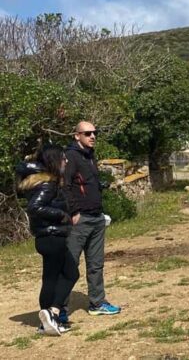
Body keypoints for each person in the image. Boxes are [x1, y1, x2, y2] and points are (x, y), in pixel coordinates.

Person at [16, 144, 78, 336]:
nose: (66, 161)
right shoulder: (47, 183)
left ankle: (50, 317)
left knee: (65, 274)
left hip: (48, 236)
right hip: (51, 236)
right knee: (61, 275)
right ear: (54, 160)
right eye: (63, 158)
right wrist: (61, 215)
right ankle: (50, 314)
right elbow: (35, 207)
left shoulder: (42, 181)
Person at [64, 121, 120, 316]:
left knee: (96, 264)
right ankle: (59, 310)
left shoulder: (90, 156)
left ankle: (97, 303)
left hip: (96, 218)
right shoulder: (70, 156)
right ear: (77, 135)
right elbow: (65, 186)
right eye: (88, 133)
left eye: (95, 132)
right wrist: (73, 212)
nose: (93, 136)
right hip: (80, 220)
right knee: (69, 265)